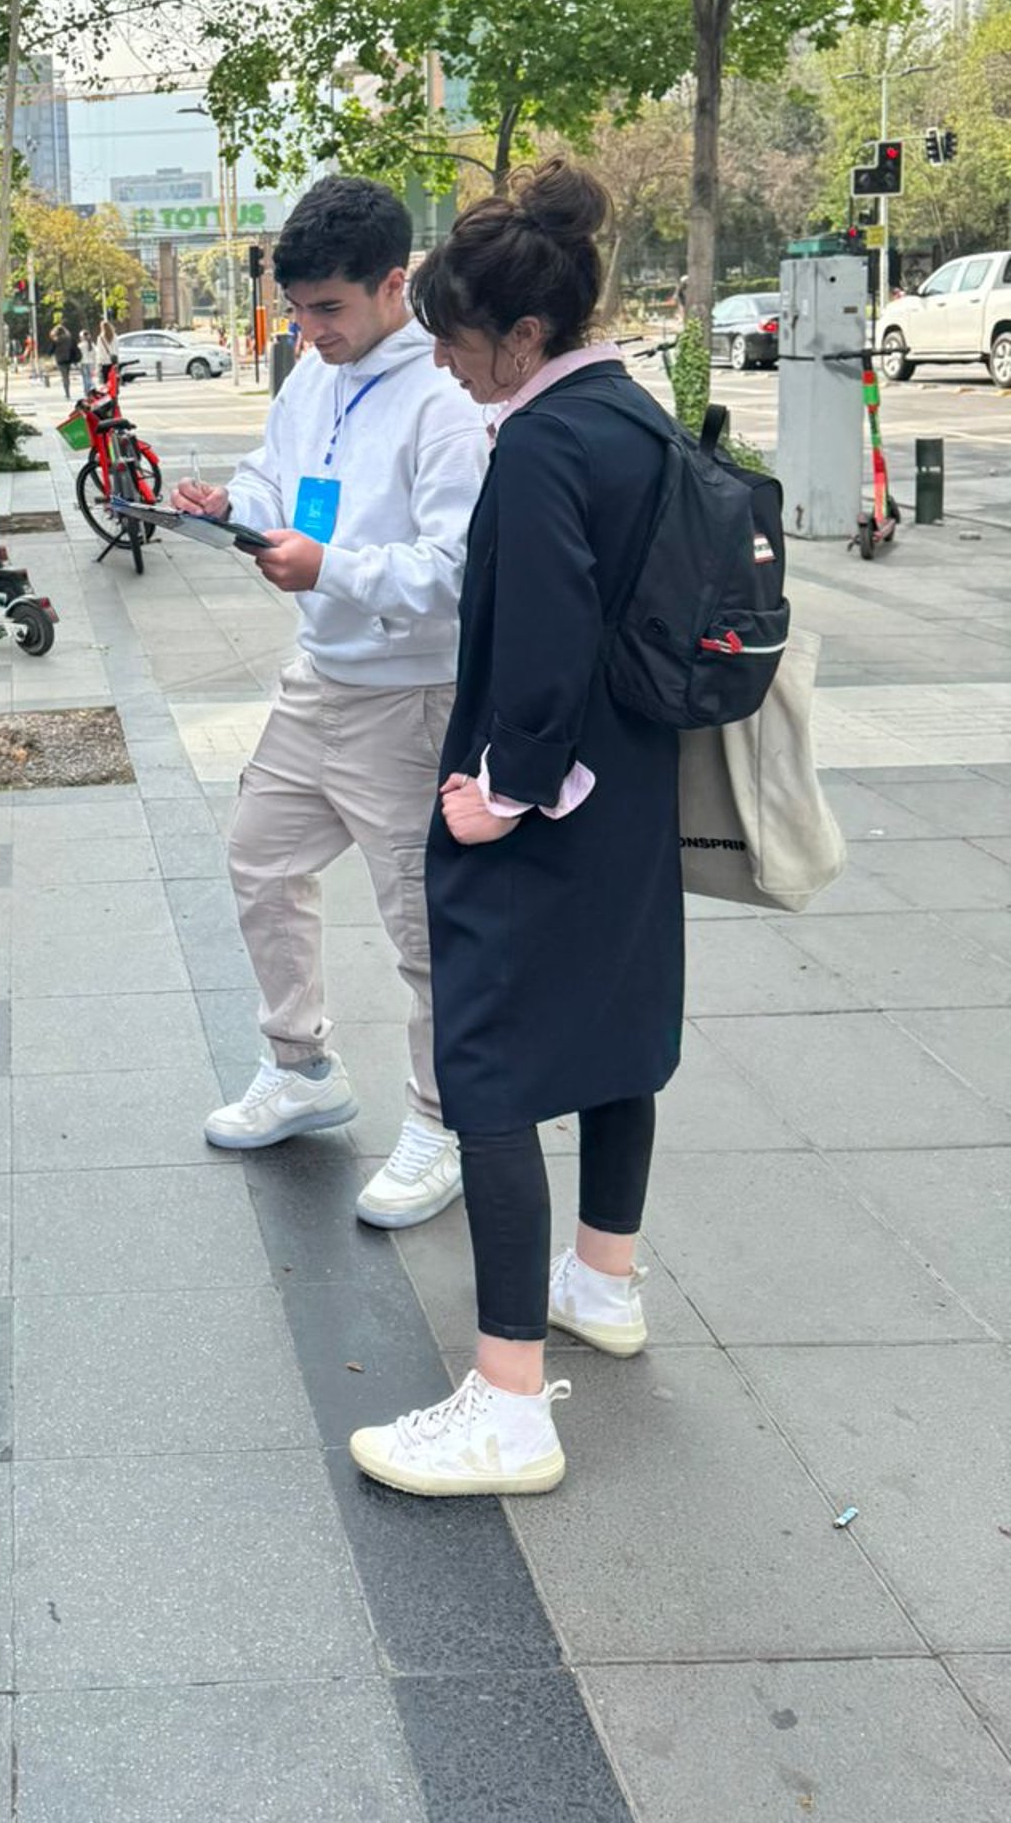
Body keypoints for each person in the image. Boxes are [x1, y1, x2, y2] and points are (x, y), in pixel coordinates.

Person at [348, 162, 682, 1499]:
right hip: (636, 795)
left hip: (547, 804)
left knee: (483, 1065)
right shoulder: (631, 415)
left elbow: (540, 642)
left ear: (523, 337)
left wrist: (503, 790)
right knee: (615, 1046)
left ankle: (504, 1401)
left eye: (457, 335)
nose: (444, 359)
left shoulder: (538, 443)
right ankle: (604, 1280)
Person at [176, 177, 488, 1221]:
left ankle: (445, 1122)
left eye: (330, 310)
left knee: (423, 928)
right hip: (321, 678)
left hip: (411, 696)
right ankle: (301, 1066)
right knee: (260, 859)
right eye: (299, 310)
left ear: (394, 284)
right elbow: (277, 480)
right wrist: (230, 506)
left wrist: (333, 569)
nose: (309, 332)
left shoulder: (444, 397)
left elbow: (454, 566)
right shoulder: (315, 375)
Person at [52, 317, 80, 400]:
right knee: (66, 375)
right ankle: (67, 390)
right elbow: (74, 347)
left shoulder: (56, 340)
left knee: (64, 376)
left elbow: (51, 350)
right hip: (68, 359)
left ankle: (67, 392)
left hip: (60, 360)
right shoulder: (69, 339)